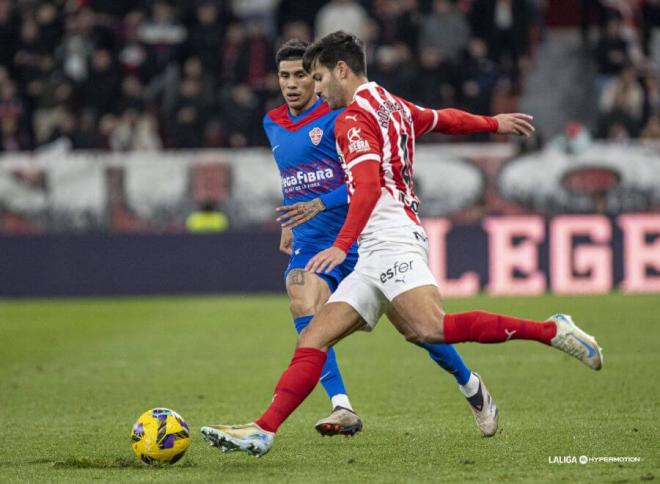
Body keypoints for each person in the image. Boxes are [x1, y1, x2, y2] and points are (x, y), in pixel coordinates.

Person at [201, 31, 603, 457]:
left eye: (318, 78)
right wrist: (492, 123)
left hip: (390, 238)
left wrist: (341, 244)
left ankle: (551, 330)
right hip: (378, 247)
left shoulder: (354, 119)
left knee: (432, 328)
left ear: (341, 70)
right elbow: (442, 118)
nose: (315, 89)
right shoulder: (392, 104)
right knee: (315, 338)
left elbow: (369, 186)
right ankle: (264, 430)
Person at [262, 39, 497, 438]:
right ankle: (342, 406)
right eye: (284, 76)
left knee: (418, 330)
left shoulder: (341, 113)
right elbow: (295, 174)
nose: (293, 84)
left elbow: (364, 181)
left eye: (302, 75)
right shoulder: (272, 122)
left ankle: (470, 384)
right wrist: (292, 216)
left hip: (364, 238)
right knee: (302, 300)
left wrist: (319, 203)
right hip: (316, 244)